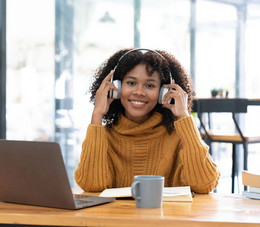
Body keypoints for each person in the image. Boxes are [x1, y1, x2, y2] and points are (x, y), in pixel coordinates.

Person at [74, 48, 220, 194]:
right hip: (118, 217)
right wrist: (97, 115)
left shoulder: (179, 137)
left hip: (167, 216)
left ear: (164, 92)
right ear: (115, 88)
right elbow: (91, 185)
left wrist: (183, 116)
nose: (139, 92)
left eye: (150, 85)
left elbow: (205, 184)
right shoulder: (103, 137)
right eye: (131, 83)